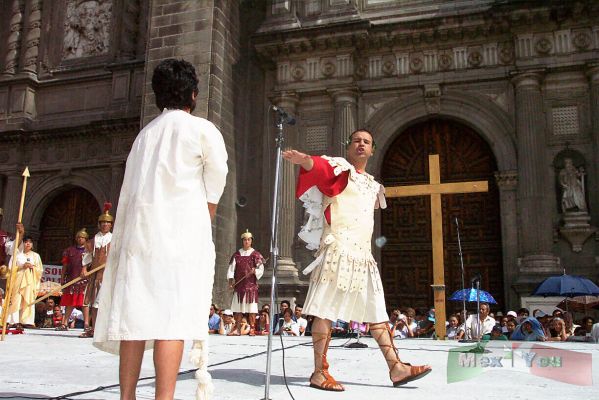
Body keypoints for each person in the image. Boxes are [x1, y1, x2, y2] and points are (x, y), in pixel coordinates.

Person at [93, 58, 228, 400]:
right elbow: (216, 181)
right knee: (173, 319)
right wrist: (202, 218)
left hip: (139, 240)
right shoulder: (202, 130)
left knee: (135, 319)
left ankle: (127, 396)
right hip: (180, 239)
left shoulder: (144, 136)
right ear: (193, 94)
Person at [283, 129, 431, 391]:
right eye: (356, 141)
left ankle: (396, 368)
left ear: (372, 149)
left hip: (364, 257)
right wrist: (303, 158)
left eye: (366, 142)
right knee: (326, 311)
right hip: (337, 251)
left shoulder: (374, 185)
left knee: (377, 314)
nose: (361, 144)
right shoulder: (340, 171)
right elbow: (316, 167)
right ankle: (319, 372)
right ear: (349, 147)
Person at [80, 204, 113, 338]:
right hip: (95, 274)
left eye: (108, 222)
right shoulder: (93, 240)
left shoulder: (115, 239)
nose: (105, 224)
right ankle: (93, 328)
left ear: (111, 225)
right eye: (103, 222)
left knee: (104, 301)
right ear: (99, 224)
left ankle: (104, 329)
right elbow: (87, 256)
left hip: (108, 274)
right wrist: (84, 269)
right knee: (94, 301)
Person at [227, 229, 264, 336]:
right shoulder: (237, 255)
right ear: (242, 241)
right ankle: (238, 328)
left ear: (251, 241)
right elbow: (231, 269)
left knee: (251, 309)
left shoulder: (256, 254)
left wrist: (255, 271)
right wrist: (230, 281)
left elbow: (261, 268)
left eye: (248, 240)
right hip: (239, 286)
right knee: (237, 308)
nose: (246, 241)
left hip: (251, 287)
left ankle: (252, 328)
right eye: (244, 240)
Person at [6, 229, 43, 329]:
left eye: (30, 242)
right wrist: (23, 266)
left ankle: (27, 321)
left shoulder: (36, 256)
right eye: (26, 242)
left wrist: (32, 267)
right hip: (18, 279)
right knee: (16, 299)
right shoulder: (17, 255)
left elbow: (40, 270)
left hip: (30, 280)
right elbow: (11, 268)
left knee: (28, 299)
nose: (28, 244)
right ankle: (14, 320)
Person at [57, 228, 89, 331]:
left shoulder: (89, 250)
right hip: (71, 278)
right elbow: (65, 265)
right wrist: (62, 278)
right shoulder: (69, 250)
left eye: (83, 237)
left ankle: (86, 324)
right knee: (69, 302)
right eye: (79, 237)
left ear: (86, 239)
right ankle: (64, 323)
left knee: (85, 302)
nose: (80, 239)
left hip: (84, 280)